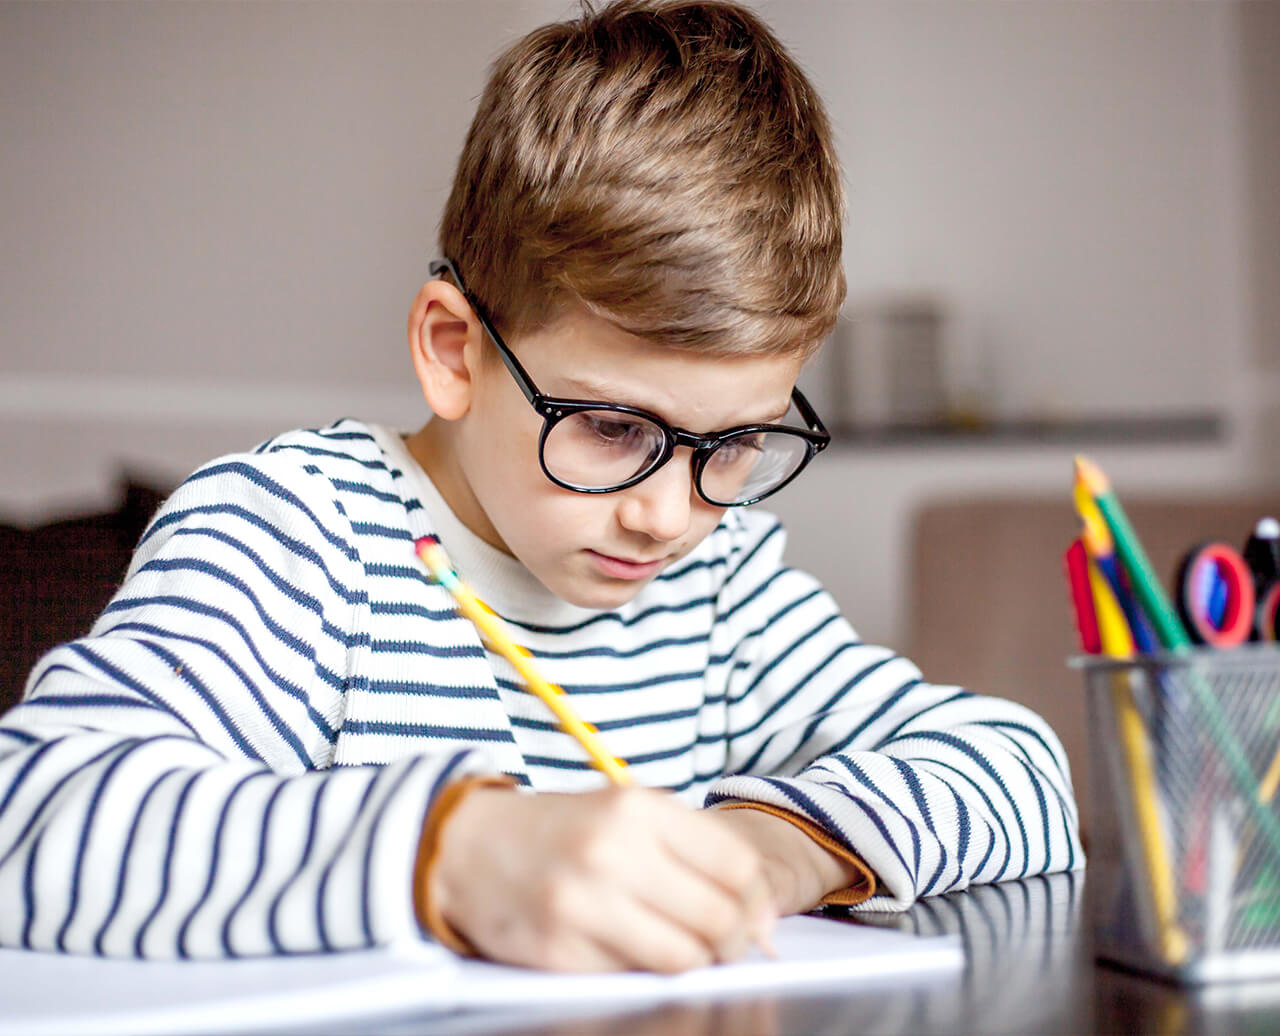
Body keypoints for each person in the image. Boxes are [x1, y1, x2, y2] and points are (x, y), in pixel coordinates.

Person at [0, 0, 1081, 972]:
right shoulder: (293, 538)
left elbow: (1019, 768)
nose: (670, 515)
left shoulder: (722, 592)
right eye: (612, 427)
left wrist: (777, 849)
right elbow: (31, 819)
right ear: (452, 349)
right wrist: (455, 856)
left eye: (737, 441)